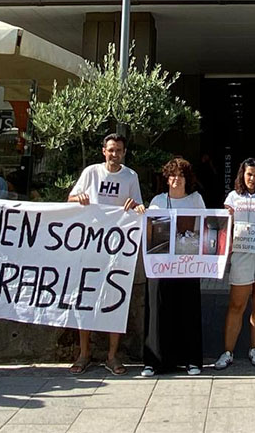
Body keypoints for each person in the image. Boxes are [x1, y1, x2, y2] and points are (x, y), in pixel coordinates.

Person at [67, 133, 145, 375]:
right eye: (111, 150)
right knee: (85, 299)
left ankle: (112, 355)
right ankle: (84, 353)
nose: (114, 154)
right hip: (90, 246)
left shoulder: (130, 176)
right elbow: (70, 198)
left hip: (117, 248)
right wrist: (77, 198)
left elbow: (139, 207)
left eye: (119, 150)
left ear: (123, 153)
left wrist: (135, 207)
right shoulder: (91, 172)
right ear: (104, 151)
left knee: (115, 300)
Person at [215, 158, 255, 370]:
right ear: (242, 175)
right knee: (237, 303)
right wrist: (229, 216)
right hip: (242, 253)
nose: (252, 179)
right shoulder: (233, 197)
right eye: (249, 174)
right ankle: (228, 351)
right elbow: (222, 224)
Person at [142, 157, 205, 377]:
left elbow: (203, 228)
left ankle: (191, 360)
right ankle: (154, 362)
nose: (176, 180)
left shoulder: (196, 200)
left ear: (188, 179)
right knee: (158, 309)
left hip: (187, 264)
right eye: (172, 175)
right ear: (166, 179)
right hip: (161, 265)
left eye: (181, 175)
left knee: (188, 309)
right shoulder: (158, 201)